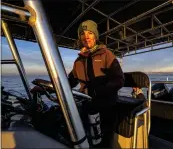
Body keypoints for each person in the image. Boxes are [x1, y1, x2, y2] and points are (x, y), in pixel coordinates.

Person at [31, 20, 125, 148]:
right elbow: (68, 82)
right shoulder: (78, 61)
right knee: (85, 139)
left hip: (107, 107)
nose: (86, 36)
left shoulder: (107, 55)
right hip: (87, 105)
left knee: (104, 144)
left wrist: (101, 89)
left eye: (90, 33)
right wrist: (45, 89)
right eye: (83, 34)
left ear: (95, 36)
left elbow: (119, 79)